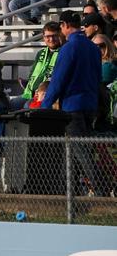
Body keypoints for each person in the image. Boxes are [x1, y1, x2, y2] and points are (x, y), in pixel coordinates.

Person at [41, 11, 108, 194]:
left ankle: (102, 188)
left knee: (80, 151)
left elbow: (58, 80)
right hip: (90, 104)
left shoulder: (69, 48)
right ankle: (68, 191)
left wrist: (45, 105)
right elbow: (97, 77)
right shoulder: (93, 47)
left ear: (64, 25)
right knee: (72, 152)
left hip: (72, 106)